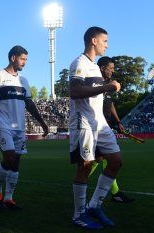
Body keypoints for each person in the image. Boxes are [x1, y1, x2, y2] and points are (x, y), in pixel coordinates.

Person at [69, 27, 122, 229]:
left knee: (116, 161)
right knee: (85, 166)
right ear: (94, 41)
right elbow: (74, 91)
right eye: (105, 41)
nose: (107, 45)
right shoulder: (79, 63)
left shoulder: (94, 67)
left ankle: (94, 206)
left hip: (100, 123)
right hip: (84, 122)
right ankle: (78, 215)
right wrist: (107, 86)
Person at [0, 45, 48, 209]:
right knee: (10, 157)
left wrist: (42, 122)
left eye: (26, 59)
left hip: (19, 128)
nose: (25, 62)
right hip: (3, 126)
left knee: (16, 162)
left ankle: (8, 197)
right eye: (23, 59)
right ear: (13, 58)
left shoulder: (24, 81)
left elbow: (29, 103)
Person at [87, 56, 134, 203]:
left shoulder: (108, 84)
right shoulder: (95, 83)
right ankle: (113, 192)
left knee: (102, 158)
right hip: (94, 126)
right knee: (108, 158)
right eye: (111, 68)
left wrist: (118, 121)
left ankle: (114, 192)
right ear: (102, 68)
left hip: (105, 125)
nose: (112, 71)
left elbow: (110, 103)